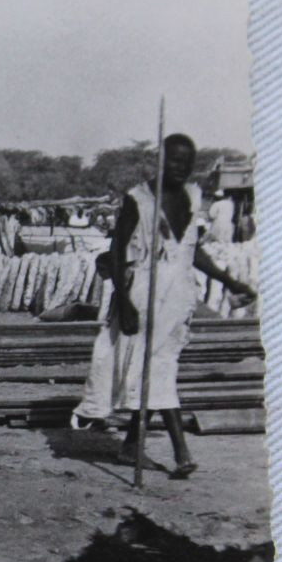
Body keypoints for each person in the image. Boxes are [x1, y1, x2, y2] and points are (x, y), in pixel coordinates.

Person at [71, 134, 257, 477]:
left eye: (186, 163)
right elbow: (116, 251)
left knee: (156, 369)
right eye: (173, 161)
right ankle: (181, 452)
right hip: (143, 293)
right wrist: (125, 304)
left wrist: (229, 281)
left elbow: (191, 250)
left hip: (178, 297)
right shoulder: (138, 200)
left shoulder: (192, 195)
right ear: (159, 160)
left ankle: (129, 445)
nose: (180, 169)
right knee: (158, 372)